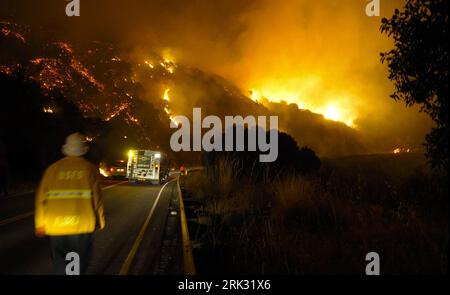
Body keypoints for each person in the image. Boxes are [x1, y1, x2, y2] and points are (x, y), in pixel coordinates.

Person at [35, 133, 105, 274]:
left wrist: (40, 224)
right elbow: (97, 198)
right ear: (83, 150)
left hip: (55, 225)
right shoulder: (89, 169)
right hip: (81, 225)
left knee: (60, 263)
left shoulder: (52, 170)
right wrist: (100, 220)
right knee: (78, 264)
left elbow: (41, 199)